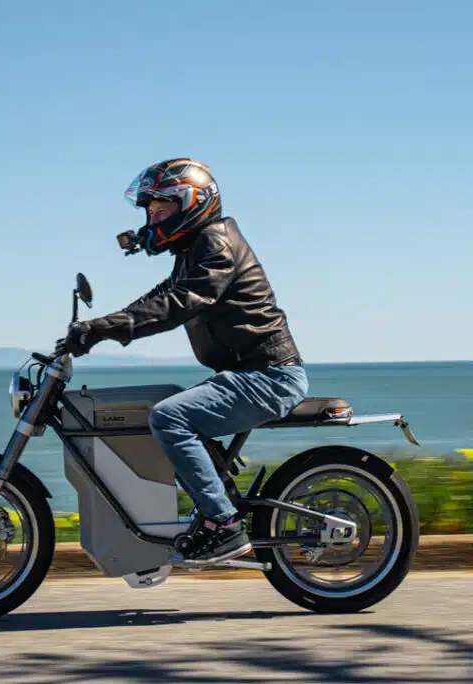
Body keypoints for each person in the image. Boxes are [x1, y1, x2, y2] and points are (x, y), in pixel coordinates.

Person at [56, 158, 308, 564]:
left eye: (160, 210)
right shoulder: (195, 248)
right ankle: (212, 501)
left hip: (269, 376)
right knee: (165, 403)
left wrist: (104, 329)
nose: (152, 221)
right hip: (249, 374)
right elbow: (163, 294)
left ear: (192, 202)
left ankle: (223, 523)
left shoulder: (217, 243)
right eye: (149, 212)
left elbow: (178, 304)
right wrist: (100, 327)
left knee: (169, 417)